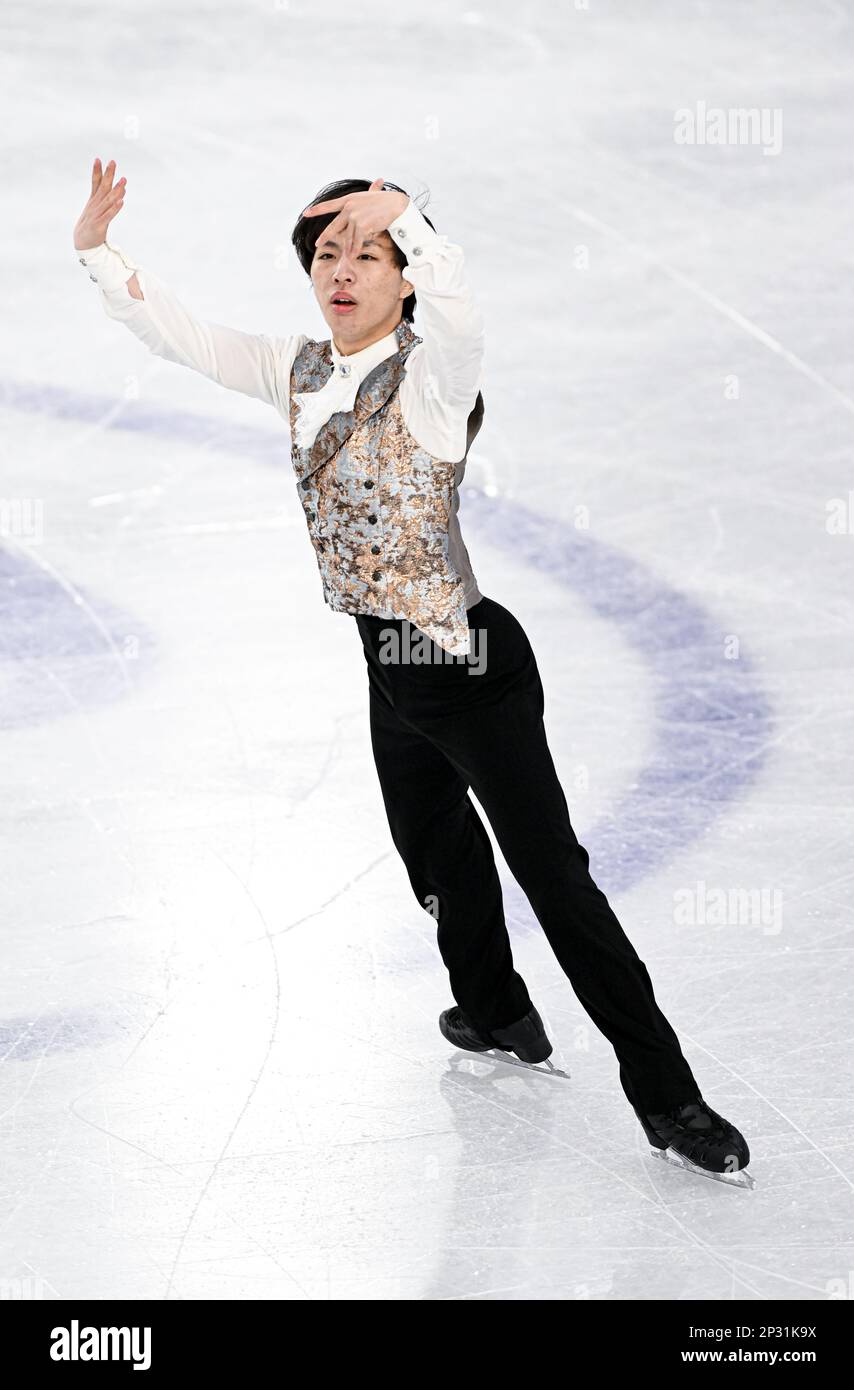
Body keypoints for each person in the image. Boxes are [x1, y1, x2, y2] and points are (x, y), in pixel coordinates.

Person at [73, 158, 751, 1183]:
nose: (342, 271)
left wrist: (412, 221)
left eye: (369, 255)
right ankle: (495, 1012)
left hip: (470, 664)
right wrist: (96, 249)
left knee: (553, 882)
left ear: (403, 279)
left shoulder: (430, 384)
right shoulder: (295, 370)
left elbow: (466, 323)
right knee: (432, 855)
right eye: (329, 254)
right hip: (387, 665)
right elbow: (179, 334)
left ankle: (670, 1099)